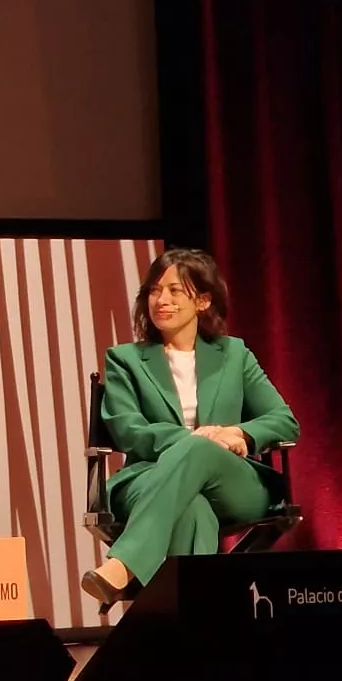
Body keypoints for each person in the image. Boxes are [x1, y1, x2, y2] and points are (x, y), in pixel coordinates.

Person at [81, 248, 299, 607]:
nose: (161, 300)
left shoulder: (234, 355)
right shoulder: (125, 359)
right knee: (193, 509)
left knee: (201, 452)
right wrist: (196, 437)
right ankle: (192, 630)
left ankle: (125, 564)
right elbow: (127, 430)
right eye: (153, 290)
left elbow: (285, 421)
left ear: (202, 300)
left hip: (233, 484)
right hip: (147, 480)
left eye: (174, 291)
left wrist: (238, 434)